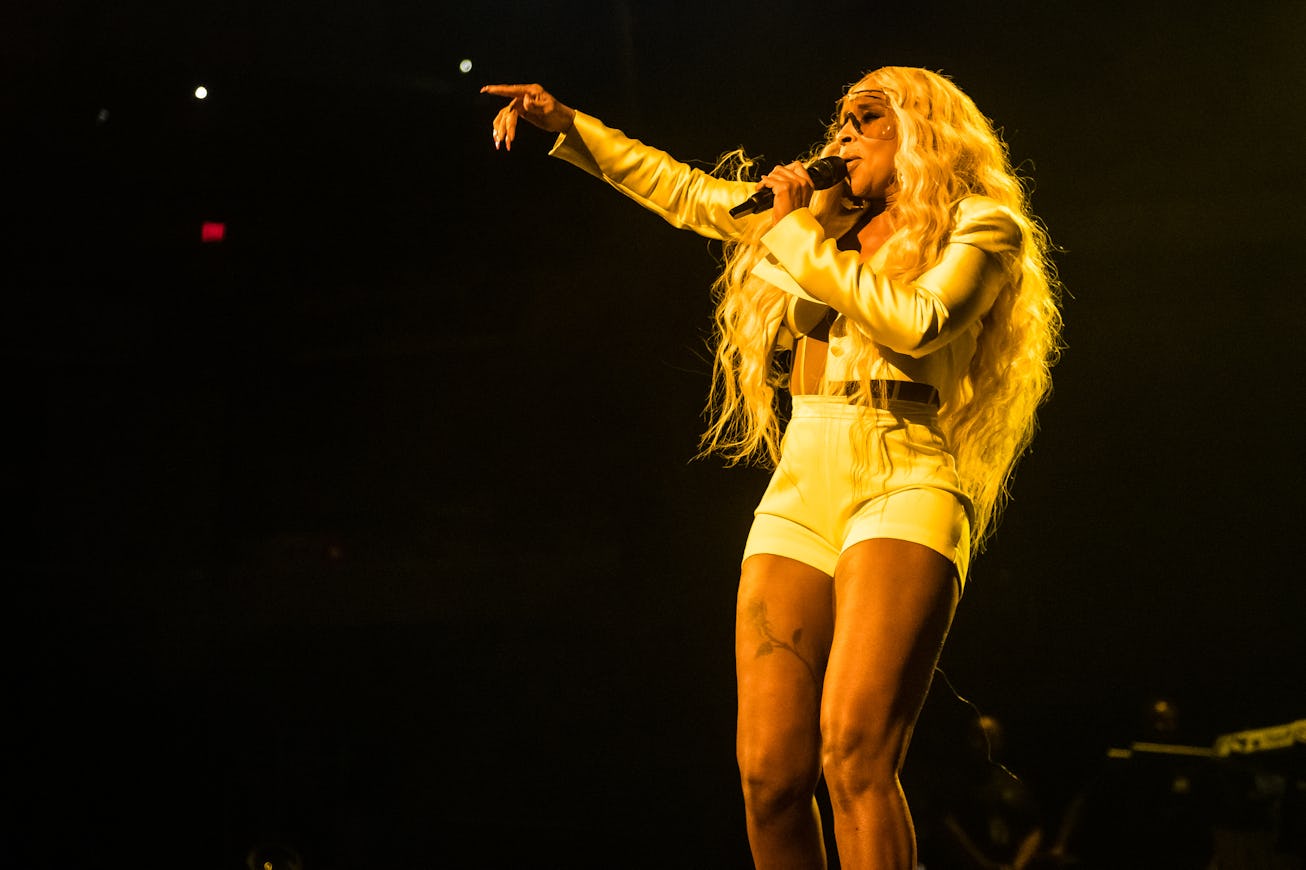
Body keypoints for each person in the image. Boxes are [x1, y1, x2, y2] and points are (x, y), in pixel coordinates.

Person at [482, 67, 1062, 870]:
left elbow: (919, 322)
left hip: (906, 473)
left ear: (925, 133)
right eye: (840, 121)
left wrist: (795, 231)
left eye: (867, 120)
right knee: (768, 775)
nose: (842, 136)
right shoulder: (824, 219)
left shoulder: (982, 224)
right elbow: (685, 192)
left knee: (854, 756)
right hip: (803, 473)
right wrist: (566, 123)